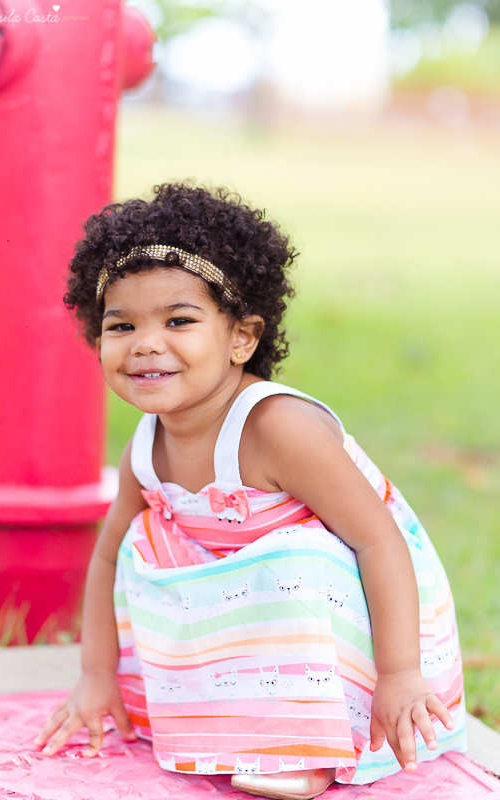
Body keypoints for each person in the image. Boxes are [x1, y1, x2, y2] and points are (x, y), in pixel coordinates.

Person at [35, 183, 466, 800]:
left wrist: (401, 674)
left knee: (297, 557)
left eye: (179, 321)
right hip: (256, 614)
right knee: (143, 544)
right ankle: (219, 721)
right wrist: (95, 674)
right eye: (121, 324)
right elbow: (107, 557)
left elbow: (378, 542)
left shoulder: (277, 429)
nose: (146, 343)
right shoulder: (146, 446)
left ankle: (314, 746)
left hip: (360, 621)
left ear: (242, 337)